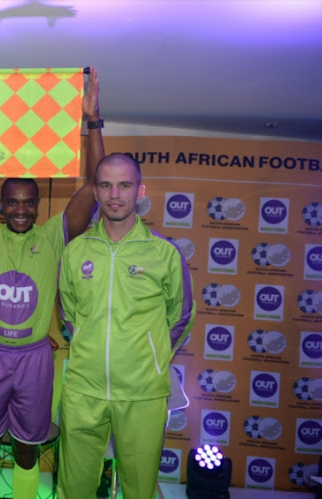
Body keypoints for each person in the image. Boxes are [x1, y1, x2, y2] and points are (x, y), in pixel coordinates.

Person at [0, 65, 104, 499]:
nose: (21, 210)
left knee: (29, 451)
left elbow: (93, 184)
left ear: (37, 206)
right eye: (12, 202)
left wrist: (92, 121)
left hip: (34, 359)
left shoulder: (53, 235)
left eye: (29, 203)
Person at [57, 153, 196, 498]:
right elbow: (69, 315)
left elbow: (180, 317)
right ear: (96, 192)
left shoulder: (164, 253)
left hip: (143, 394)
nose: (114, 194)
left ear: (140, 191)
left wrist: (149, 357)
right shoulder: (75, 251)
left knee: (138, 490)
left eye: (124, 185)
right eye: (105, 185)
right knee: (74, 488)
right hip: (83, 390)